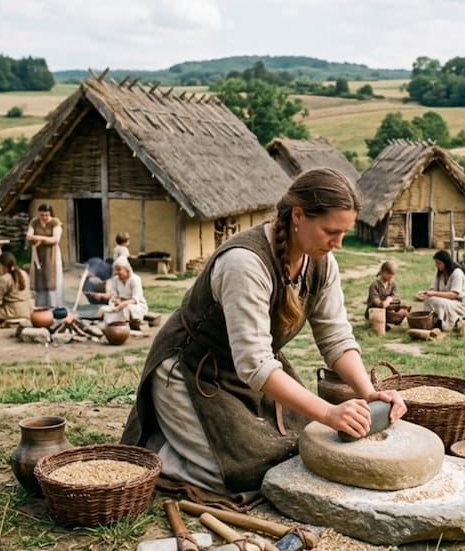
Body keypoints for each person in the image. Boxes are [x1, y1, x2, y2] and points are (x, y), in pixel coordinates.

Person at [120, 168, 406, 502]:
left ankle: (193, 438)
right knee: (237, 474)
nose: (338, 243)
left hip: (255, 371)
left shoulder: (322, 263)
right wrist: (329, 412)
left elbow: (336, 337)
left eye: (344, 232)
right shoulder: (245, 263)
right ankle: (160, 447)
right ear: (298, 215)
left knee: (297, 448)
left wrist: (369, 393)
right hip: (192, 370)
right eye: (331, 231)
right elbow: (254, 363)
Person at [416, 250, 465, 330]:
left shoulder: (457, 273)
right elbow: (433, 290)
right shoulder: (439, 273)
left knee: (441, 303)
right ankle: (430, 322)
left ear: (446, 263)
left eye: (439, 263)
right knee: (428, 300)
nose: (437, 265)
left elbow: (453, 294)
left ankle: (444, 324)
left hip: (460, 304)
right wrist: (425, 294)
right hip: (445, 300)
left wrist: (433, 293)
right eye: (436, 263)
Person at [26, 202, 64, 308]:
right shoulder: (34, 222)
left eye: (46, 215)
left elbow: (55, 239)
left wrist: (38, 238)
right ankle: (42, 306)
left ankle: (54, 305)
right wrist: (44, 239)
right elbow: (29, 236)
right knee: (40, 277)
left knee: (51, 277)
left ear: (50, 214)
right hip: (38, 254)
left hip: (52, 254)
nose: (44, 217)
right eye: (42, 215)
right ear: (38, 213)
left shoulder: (55, 222)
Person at [96, 256, 148, 328]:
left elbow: (135, 299)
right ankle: (110, 324)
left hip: (136, 305)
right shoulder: (115, 280)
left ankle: (122, 326)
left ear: (126, 269)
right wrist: (116, 301)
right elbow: (114, 296)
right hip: (119, 305)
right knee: (103, 309)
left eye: (119, 270)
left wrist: (122, 304)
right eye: (116, 270)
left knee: (126, 308)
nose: (117, 272)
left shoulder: (135, 279)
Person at [367, 260, 408, 328]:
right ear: (383, 272)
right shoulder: (375, 284)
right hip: (377, 309)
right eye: (388, 274)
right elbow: (374, 299)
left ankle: (395, 318)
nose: (390, 276)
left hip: (389, 306)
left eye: (392, 274)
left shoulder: (392, 283)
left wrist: (389, 299)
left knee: (404, 307)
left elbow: (396, 296)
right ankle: (388, 320)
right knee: (395, 316)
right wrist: (382, 303)